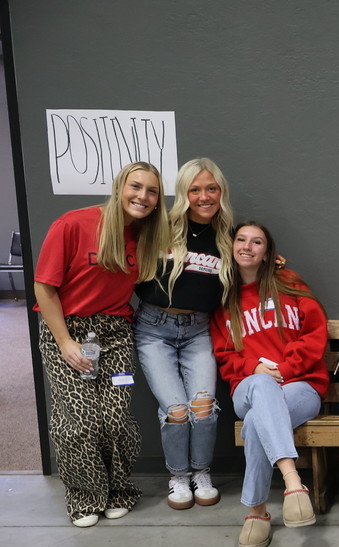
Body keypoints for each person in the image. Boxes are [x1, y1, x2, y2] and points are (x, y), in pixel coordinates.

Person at [34, 161, 168, 527]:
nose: (142, 196)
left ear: (157, 201)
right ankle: (84, 498)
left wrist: (271, 265)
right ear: (119, 187)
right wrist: (64, 342)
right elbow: (44, 287)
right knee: (79, 422)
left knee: (116, 419)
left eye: (151, 191)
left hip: (115, 334)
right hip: (67, 329)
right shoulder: (73, 224)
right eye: (135, 186)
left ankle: (118, 491)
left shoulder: (147, 236)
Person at [211, 222, 327, 547]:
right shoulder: (223, 300)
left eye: (257, 242)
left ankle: (257, 512)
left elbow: (314, 334)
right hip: (247, 389)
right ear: (231, 247)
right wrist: (255, 368)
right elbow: (224, 356)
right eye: (242, 240)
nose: (248, 246)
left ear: (267, 252)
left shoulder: (289, 283)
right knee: (260, 384)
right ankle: (293, 482)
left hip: (301, 388)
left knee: (254, 423)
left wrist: (286, 368)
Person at [135, 158, 233, 511]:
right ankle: (178, 476)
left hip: (198, 331)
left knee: (203, 408)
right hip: (154, 330)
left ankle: (201, 472)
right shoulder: (159, 226)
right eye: (195, 189)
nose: (204, 196)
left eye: (211, 188)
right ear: (184, 193)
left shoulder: (227, 236)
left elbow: (253, 262)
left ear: (221, 192)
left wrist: (272, 261)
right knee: (176, 410)